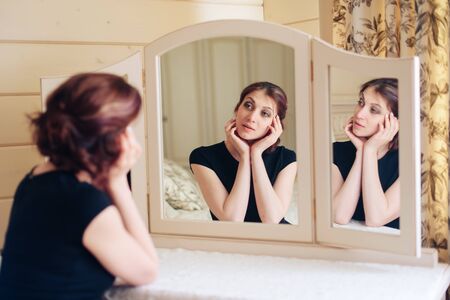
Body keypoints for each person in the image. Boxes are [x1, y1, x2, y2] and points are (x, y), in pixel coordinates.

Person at [0, 73, 158, 299]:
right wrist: (118, 182)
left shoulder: (33, 181)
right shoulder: (83, 201)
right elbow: (146, 271)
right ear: (109, 137)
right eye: (127, 127)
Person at [189, 82, 297, 224]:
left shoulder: (287, 159)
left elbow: (272, 220)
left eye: (265, 113)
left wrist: (256, 153)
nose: (251, 117)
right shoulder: (203, 157)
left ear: (275, 124)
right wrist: (245, 156)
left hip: (278, 240)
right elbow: (232, 220)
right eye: (248, 105)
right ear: (237, 109)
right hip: (231, 243)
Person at [332, 78, 400, 229]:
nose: (360, 113)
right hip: (345, 247)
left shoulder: (411, 162)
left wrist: (369, 151)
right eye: (361, 102)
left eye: (374, 110)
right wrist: (361, 152)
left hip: (390, 249)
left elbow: (375, 219)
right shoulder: (335, 151)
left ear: (395, 122)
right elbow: (339, 216)